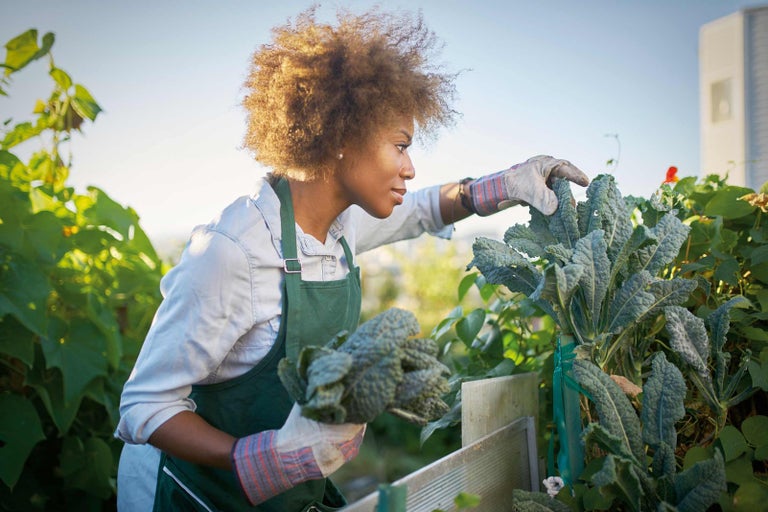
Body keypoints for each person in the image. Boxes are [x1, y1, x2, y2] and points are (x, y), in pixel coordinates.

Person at [115, 6, 589, 511]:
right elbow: (145, 405)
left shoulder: (338, 227)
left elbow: (426, 206)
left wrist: (504, 184)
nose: (410, 166)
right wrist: (260, 458)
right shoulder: (232, 254)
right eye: (401, 146)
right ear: (342, 135)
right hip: (187, 494)